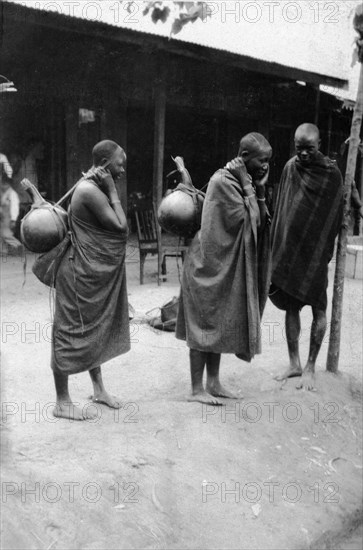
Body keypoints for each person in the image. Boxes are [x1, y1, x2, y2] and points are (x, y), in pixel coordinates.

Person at [176, 133, 272, 405]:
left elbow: (261, 224)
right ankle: (196, 389)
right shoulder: (223, 181)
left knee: (216, 324)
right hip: (206, 266)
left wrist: (259, 188)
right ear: (244, 157)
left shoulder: (246, 182)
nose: (265, 166)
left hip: (223, 266)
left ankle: (214, 382)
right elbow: (248, 221)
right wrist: (249, 185)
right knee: (202, 326)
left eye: (268, 161)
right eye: (261, 161)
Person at [51, 140, 130, 420]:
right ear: (105, 164)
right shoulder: (90, 190)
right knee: (69, 332)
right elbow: (122, 228)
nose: (123, 169)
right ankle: (62, 401)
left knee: (92, 330)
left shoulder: (91, 187)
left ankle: (98, 389)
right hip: (77, 274)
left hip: (88, 274)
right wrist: (112, 190)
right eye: (120, 164)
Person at [270, 123, 343, 391]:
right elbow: (283, 207)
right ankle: (294, 363)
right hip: (291, 251)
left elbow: (336, 209)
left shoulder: (331, 173)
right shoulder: (291, 167)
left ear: (320, 145)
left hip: (315, 253)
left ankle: (311, 366)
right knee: (291, 306)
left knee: (318, 307)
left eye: (309, 149)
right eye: (298, 148)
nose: (302, 154)